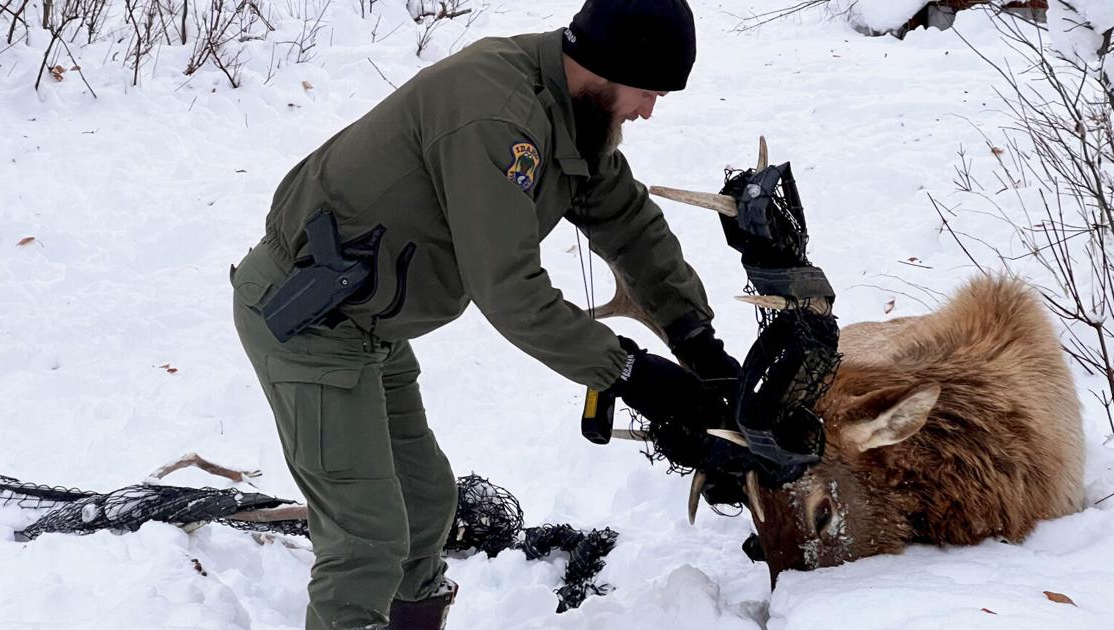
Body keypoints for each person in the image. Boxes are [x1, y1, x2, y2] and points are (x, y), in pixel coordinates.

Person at [230, 0, 739, 627]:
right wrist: (630, 375)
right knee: (366, 537)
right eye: (646, 91)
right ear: (606, 66)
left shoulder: (573, 110)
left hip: (370, 328)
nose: (648, 111)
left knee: (426, 506)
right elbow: (508, 289)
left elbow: (629, 223)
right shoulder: (497, 117)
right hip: (309, 322)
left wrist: (698, 341)